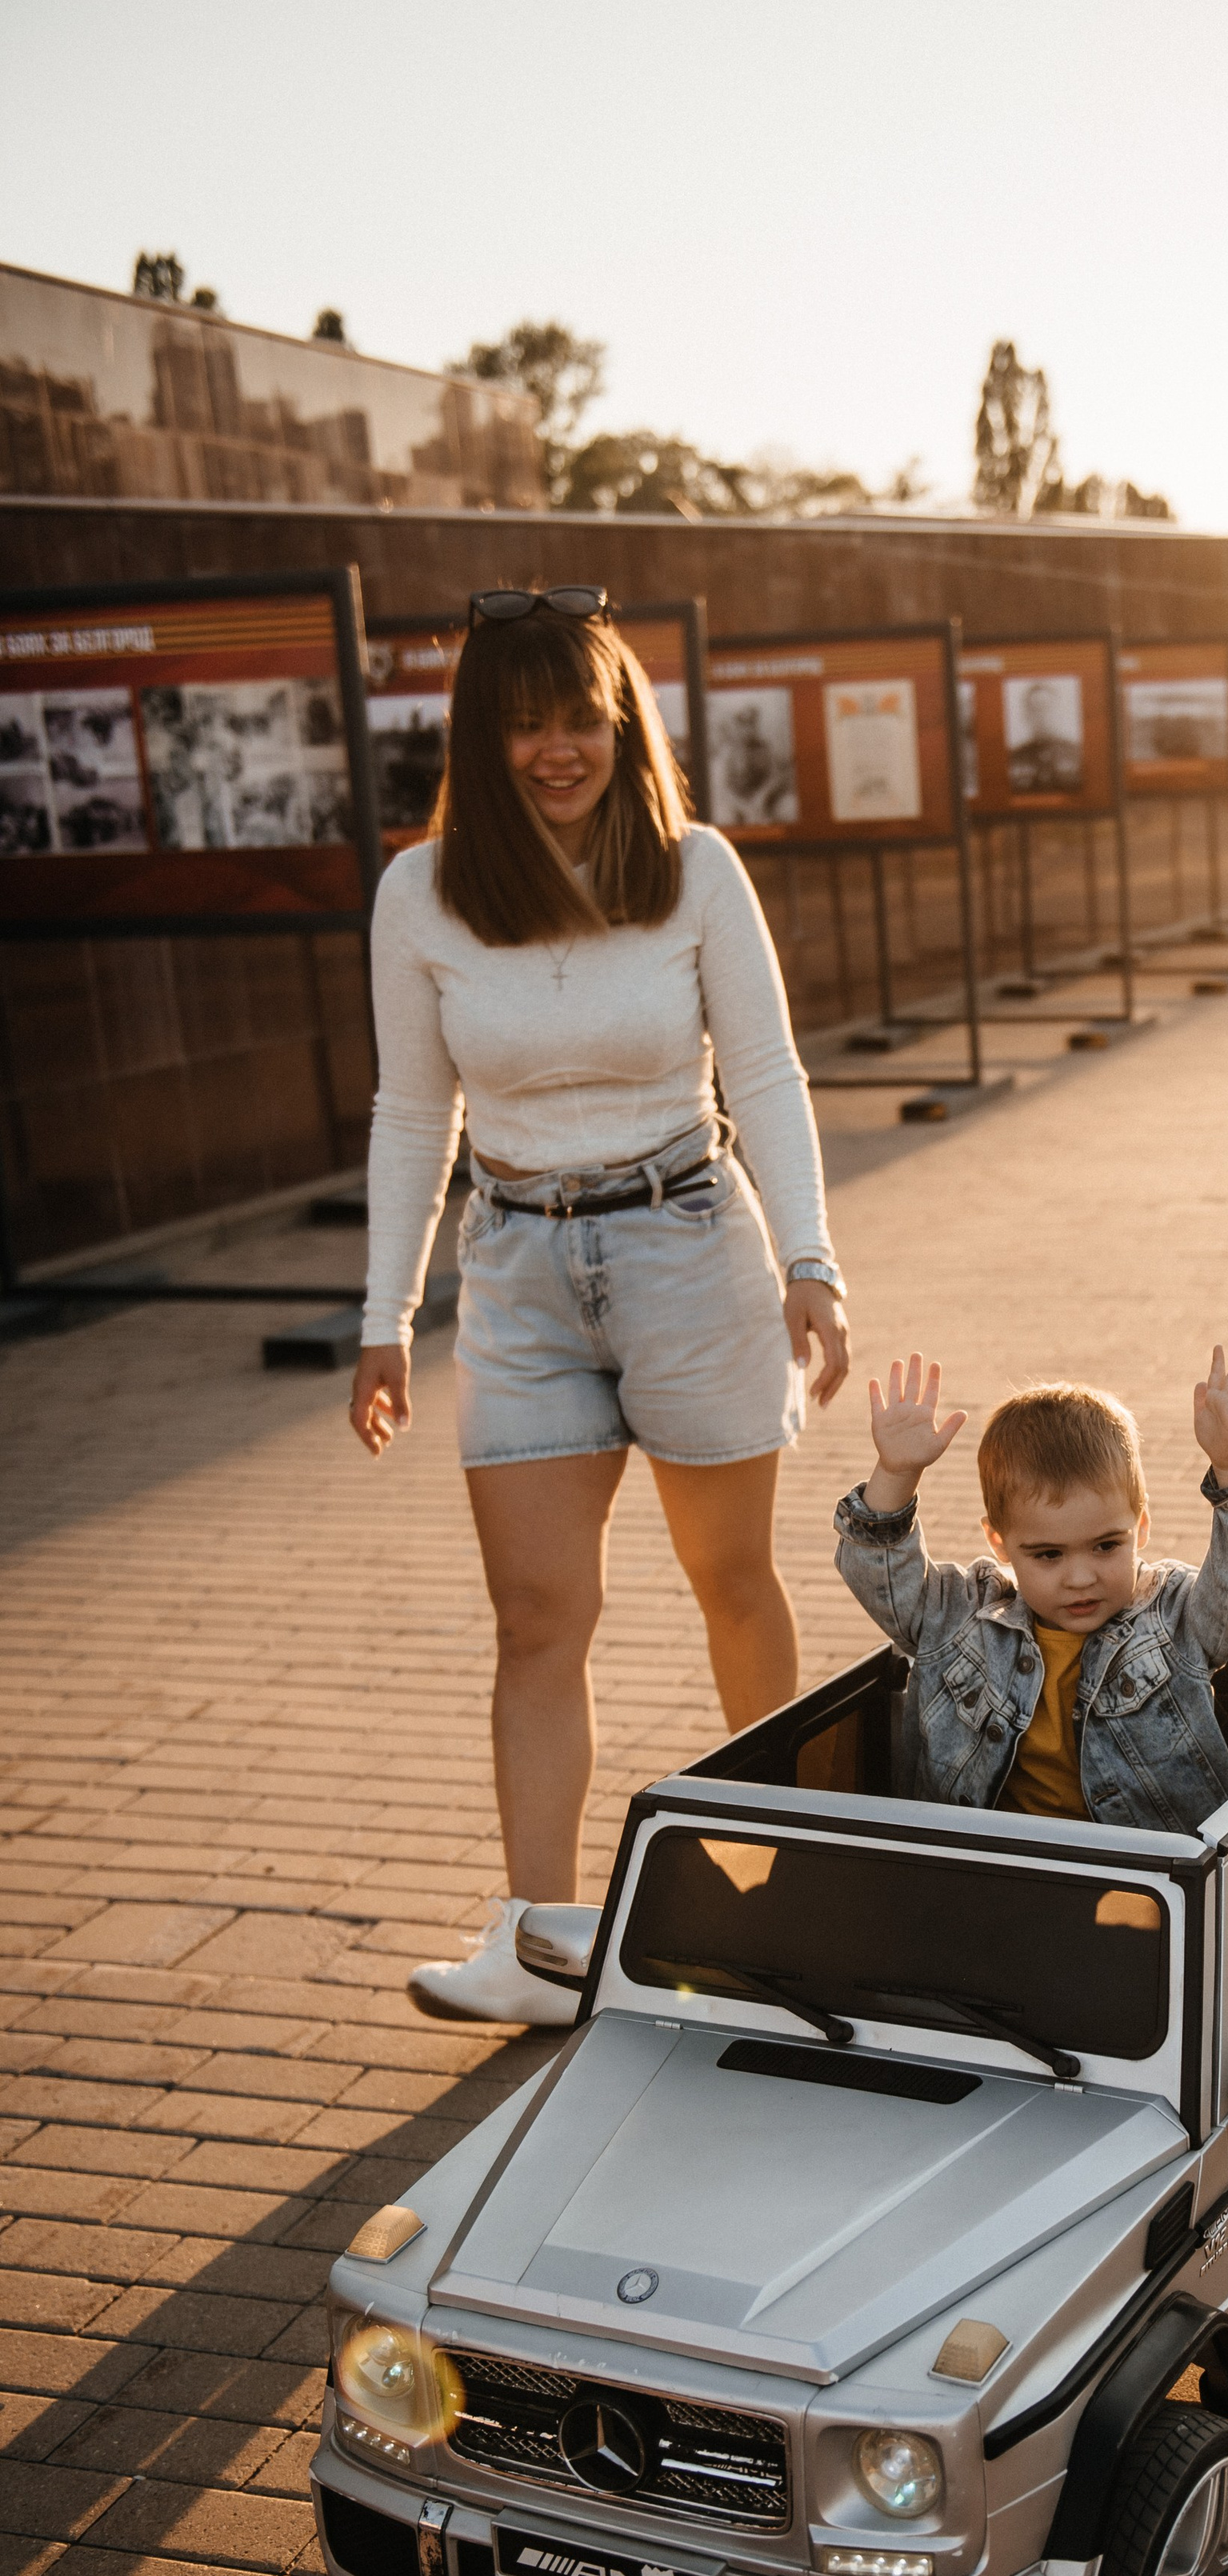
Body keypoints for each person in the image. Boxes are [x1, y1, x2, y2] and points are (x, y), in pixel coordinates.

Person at [350, 586, 850, 2022]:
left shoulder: (694, 870)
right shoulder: (423, 895)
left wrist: (812, 1263)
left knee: (733, 1584)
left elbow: (765, 1077)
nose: (556, 748)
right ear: (480, 738)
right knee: (537, 1619)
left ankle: (798, 1889)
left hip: (690, 1249)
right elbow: (407, 1114)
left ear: (623, 719)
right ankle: (540, 1945)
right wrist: (386, 1313)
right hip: (514, 1273)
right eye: (522, 724)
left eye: (579, 715)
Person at [834, 1347, 1228, 1833]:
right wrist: (896, 1475)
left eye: (1105, 1546)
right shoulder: (959, 1621)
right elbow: (878, 1577)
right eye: (1049, 1554)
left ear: (1140, 1528)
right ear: (1000, 1542)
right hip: (983, 1871)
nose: (1080, 1577)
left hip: (1148, 1883)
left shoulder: (1173, 1619)